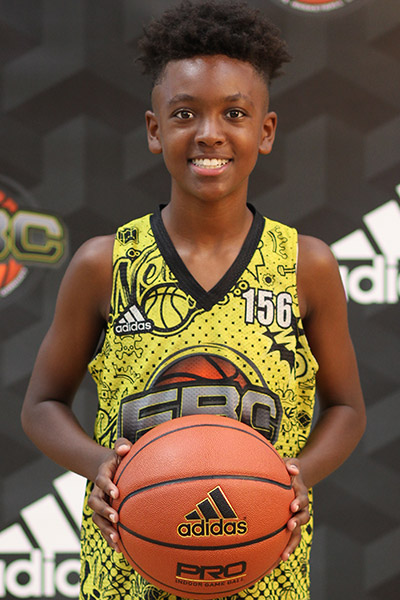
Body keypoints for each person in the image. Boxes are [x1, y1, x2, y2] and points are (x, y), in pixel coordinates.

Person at [21, 1, 366, 599]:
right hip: (126, 578)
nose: (209, 133)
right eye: (185, 114)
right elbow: (41, 405)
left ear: (266, 131)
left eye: (234, 113)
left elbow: (347, 409)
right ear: (155, 130)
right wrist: (99, 464)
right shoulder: (106, 263)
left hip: (266, 580)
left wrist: (294, 476)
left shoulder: (304, 266)